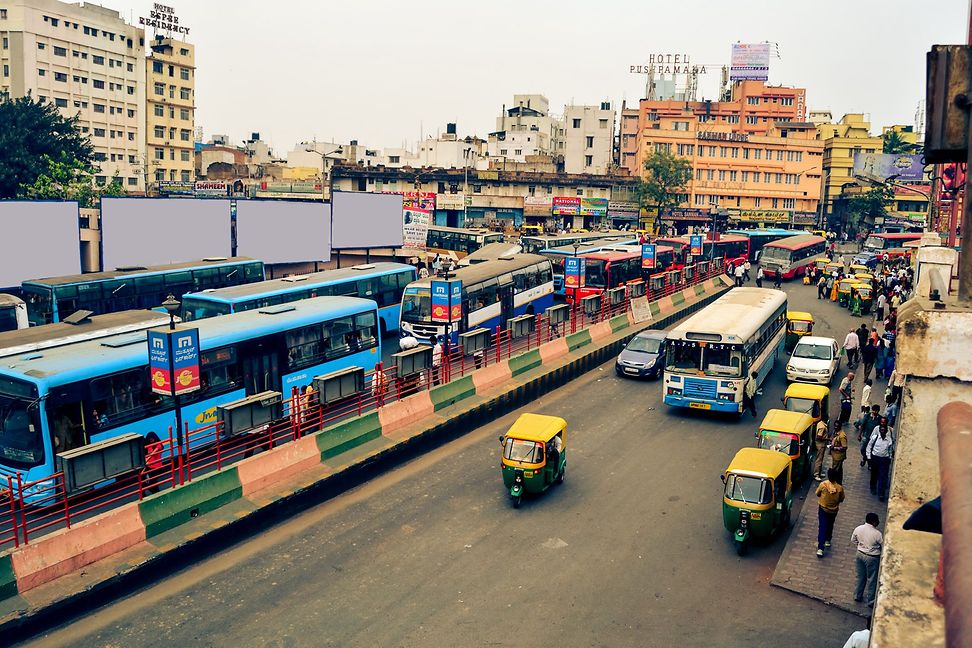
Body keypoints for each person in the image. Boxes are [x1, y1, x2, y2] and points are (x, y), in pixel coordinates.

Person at [852, 512, 883, 606]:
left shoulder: (858, 528)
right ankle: (870, 601)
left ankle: (857, 596)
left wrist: (861, 546)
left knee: (860, 576)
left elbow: (853, 540)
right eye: (877, 520)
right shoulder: (877, 534)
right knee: (872, 579)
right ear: (874, 522)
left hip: (859, 554)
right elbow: (883, 545)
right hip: (872, 557)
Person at [815, 468, 845, 557]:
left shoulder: (823, 485)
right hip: (833, 510)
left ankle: (820, 547)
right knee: (830, 524)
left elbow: (817, 493)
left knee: (822, 526)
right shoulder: (839, 488)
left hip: (823, 509)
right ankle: (828, 539)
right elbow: (842, 499)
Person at [866, 417, 894, 501]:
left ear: (886, 431)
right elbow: (869, 446)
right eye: (881, 430)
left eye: (883, 430)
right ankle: (873, 487)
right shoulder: (875, 437)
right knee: (874, 474)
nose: (882, 431)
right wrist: (869, 457)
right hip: (875, 458)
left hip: (884, 460)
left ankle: (881, 493)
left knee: (883, 476)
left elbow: (890, 449)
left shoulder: (889, 439)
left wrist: (889, 458)